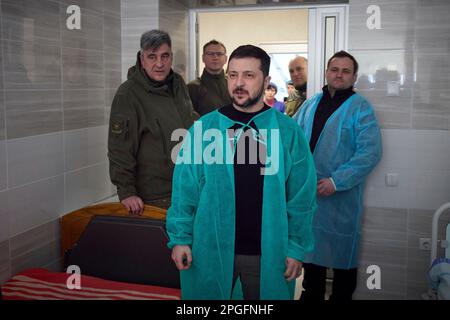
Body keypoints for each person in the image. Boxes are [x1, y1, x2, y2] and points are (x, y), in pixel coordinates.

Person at [167, 45, 317, 300]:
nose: (239, 82)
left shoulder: (286, 132)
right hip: (209, 249)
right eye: (233, 75)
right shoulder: (205, 128)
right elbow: (185, 190)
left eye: (249, 75)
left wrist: (296, 247)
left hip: (267, 253)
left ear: (266, 80)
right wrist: (180, 238)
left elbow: (301, 196)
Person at [294, 51, 382, 301]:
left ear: (354, 76)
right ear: (326, 72)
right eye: (334, 69)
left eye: (345, 71)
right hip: (309, 195)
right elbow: (294, 142)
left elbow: (370, 152)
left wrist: (336, 181)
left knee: (343, 270)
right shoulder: (311, 104)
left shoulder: (360, 108)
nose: (339, 75)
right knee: (312, 270)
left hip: (341, 200)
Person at [108, 29, 195, 214]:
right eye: (152, 57)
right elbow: (119, 149)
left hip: (185, 188)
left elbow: (189, 121)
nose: (159, 64)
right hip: (154, 198)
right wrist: (126, 192)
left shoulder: (178, 83)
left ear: (171, 57)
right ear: (142, 59)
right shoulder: (128, 94)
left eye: (165, 56)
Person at [187, 39, 232, 116]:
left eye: (219, 54)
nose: (215, 57)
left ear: (225, 59)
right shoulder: (192, 88)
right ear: (203, 58)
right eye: (210, 54)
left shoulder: (233, 84)